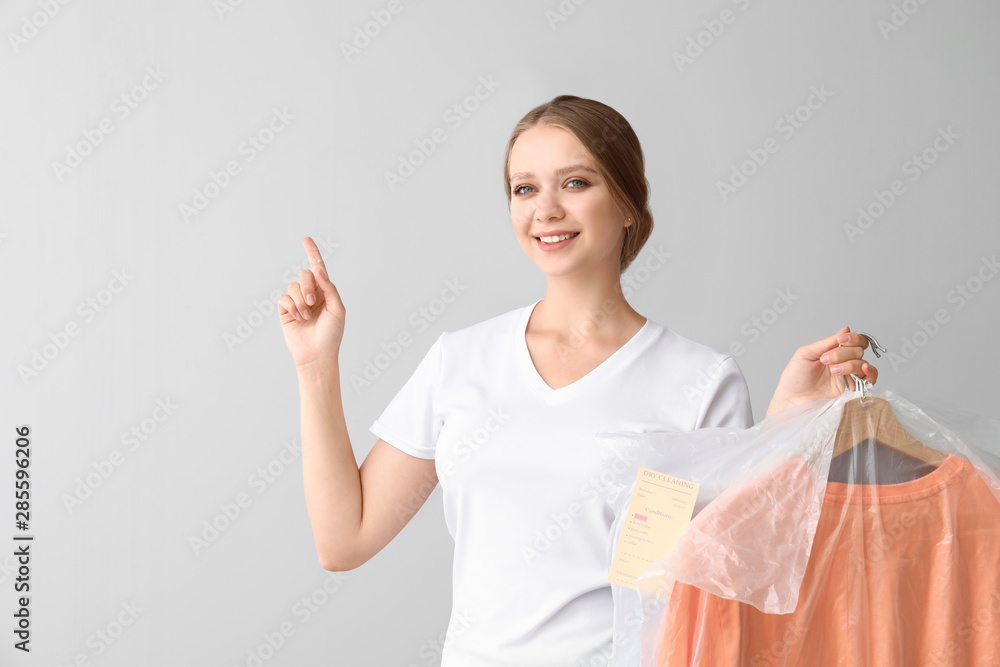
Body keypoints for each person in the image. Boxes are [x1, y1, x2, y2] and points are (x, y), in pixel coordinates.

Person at [277, 95, 878, 666]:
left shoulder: (697, 380)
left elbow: (728, 579)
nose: (546, 209)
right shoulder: (460, 361)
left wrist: (785, 431)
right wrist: (315, 365)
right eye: (524, 188)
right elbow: (343, 540)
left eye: (575, 182)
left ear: (627, 205)